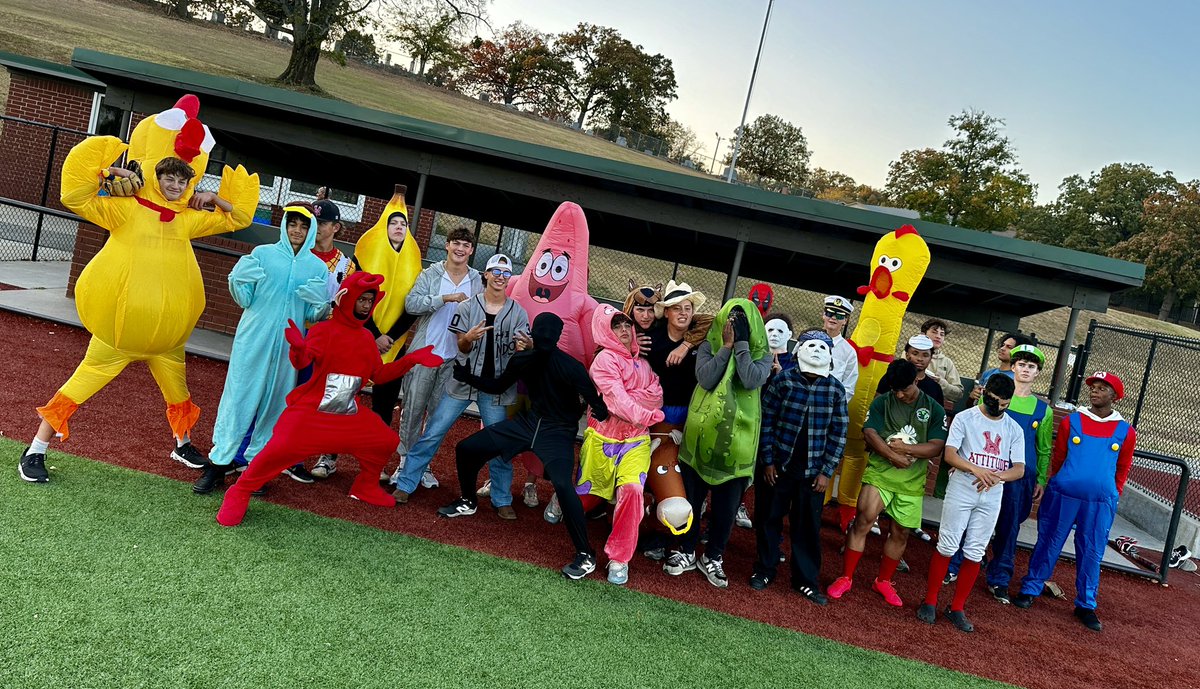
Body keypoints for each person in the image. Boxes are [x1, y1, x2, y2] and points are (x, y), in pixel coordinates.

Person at [19, 95, 259, 483]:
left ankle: (181, 443)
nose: (175, 185)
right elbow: (75, 195)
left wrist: (215, 198)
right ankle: (35, 448)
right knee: (79, 385)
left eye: (183, 180)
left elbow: (240, 218)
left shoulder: (188, 220)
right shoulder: (125, 208)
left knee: (177, 391)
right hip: (117, 334)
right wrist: (105, 168)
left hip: (167, 341)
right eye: (169, 178)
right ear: (153, 174)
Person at [215, 272, 443, 526]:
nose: (366, 306)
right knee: (276, 451)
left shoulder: (366, 338)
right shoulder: (324, 330)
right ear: (346, 299)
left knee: (384, 439)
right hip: (311, 413)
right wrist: (298, 349)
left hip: (348, 414)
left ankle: (365, 485)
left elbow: (378, 375)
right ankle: (240, 490)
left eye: (370, 301)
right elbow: (303, 362)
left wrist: (410, 361)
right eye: (362, 300)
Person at [437, 313, 610, 581]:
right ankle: (468, 500)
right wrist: (467, 376)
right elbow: (595, 405)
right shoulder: (550, 363)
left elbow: (594, 404)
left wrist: (466, 375)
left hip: (556, 433)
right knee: (467, 448)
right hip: (527, 425)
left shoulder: (557, 364)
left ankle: (586, 554)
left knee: (564, 487)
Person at [193, 204, 331, 493]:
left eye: (303, 226)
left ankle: (254, 471)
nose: (297, 230)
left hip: (288, 346)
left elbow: (311, 316)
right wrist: (236, 281)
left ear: (311, 230)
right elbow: (244, 299)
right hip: (253, 338)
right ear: (284, 225)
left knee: (275, 406)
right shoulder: (262, 255)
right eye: (292, 223)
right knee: (238, 399)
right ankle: (218, 466)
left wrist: (321, 306)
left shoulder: (317, 267)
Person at [390, 254, 527, 517]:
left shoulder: (517, 312)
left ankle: (501, 498)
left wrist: (526, 346)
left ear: (509, 279)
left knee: (500, 443)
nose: (500, 277)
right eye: (495, 271)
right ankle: (407, 482)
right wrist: (468, 338)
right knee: (433, 431)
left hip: (495, 388)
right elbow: (461, 346)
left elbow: (523, 348)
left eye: (505, 273)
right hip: (464, 381)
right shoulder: (467, 307)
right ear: (485, 275)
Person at [1014, 371, 1136, 633]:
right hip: (1063, 496)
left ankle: (1086, 603)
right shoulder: (1072, 422)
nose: (1095, 392)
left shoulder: (1125, 431)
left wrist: (1112, 493)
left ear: (1115, 396)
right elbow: (1058, 458)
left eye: (1103, 388)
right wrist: (1057, 482)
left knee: (1092, 550)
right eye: (1093, 387)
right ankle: (1031, 587)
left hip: (1100, 502)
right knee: (1048, 542)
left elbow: (1123, 467)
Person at [670, 298, 772, 589]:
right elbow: (706, 378)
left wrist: (741, 345)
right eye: (730, 319)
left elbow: (750, 379)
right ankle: (686, 550)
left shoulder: (762, 354)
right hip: (700, 439)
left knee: (726, 510)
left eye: (741, 322)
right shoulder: (709, 345)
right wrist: (725, 346)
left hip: (738, 443)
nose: (734, 326)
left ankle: (713, 556)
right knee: (692, 499)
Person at [827, 359, 947, 606]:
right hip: (880, 473)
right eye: (895, 390)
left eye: (904, 389)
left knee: (900, 532)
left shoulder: (934, 408)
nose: (900, 394)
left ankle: (883, 581)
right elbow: (869, 433)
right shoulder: (883, 401)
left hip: (911, 482)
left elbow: (937, 445)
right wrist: (893, 455)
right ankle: (846, 577)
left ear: (916, 380)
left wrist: (907, 448)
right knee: (864, 519)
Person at [944, 345, 1053, 597]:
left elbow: (1044, 448)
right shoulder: (990, 398)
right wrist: (962, 465)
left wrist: (1040, 478)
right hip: (980, 472)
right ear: (1012, 367)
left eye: (1031, 366)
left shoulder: (1043, 410)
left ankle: (999, 577)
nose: (1025, 369)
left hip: (1016, 478)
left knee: (1009, 527)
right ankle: (954, 565)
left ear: (1037, 372)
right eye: (1021, 364)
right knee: (967, 520)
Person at [920, 374, 1025, 633]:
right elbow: (950, 454)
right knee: (947, 544)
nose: (997, 407)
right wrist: (977, 470)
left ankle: (957, 607)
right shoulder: (966, 418)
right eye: (993, 400)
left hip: (992, 491)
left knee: (976, 550)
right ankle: (930, 601)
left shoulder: (1014, 428)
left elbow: (1020, 468)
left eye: (1003, 403)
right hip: (963, 487)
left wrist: (994, 476)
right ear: (985, 392)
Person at [751, 330, 849, 604]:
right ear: (798, 351)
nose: (816, 351)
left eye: (822, 347)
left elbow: (839, 433)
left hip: (813, 473)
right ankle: (765, 568)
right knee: (769, 518)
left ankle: (805, 580)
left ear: (830, 357)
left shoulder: (835, 390)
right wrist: (767, 460)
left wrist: (826, 471)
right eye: (810, 346)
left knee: (807, 526)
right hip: (779, 467)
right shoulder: (783, 381)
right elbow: (767, 419)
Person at [574, 304, 664, 585]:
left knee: (632, 490)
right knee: (585, 500)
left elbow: (657, 395)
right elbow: (615, 400)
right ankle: (561, 501)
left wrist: (634, 399)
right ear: (605, 331)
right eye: (617, 326)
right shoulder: (603, 362)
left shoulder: (645, 365)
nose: (625, 330)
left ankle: (619, 558)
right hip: (602, 440)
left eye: (627, 325)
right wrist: (645, 413)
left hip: (636, 442)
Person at [393, 227, 479, 490]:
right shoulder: (431, 273)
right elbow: (411, 304)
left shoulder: (476, 279)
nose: (460, 249)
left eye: (466, 245)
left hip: (454, 359)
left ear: (471, 250)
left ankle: (424, 465)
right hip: (425, 354)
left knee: (436, 417)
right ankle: (405, 462)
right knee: (413, 410)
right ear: (447, 245)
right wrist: (444, 298)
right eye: (456, 243)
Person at [635, 281, 710, 554]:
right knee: (644, 475)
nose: (683, 313)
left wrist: (686, 345)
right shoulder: (650, 338)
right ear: (664, 312)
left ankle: (665, 536)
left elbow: (715, 319)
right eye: (676, 308)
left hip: (686, 421)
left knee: (679, 481)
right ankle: (636, 528)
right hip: (650, 417)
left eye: (688, 308)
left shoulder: (699, 337)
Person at [352, 186, 421, 431]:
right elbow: (354, 299)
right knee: (345, 399)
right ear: (385, 226)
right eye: (393, 223)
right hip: (360, 338)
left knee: (384, 406)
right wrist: (374, 335)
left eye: (403, 223)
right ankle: (329, 457)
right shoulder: (365, 256)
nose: (399, 227)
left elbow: (412, 306)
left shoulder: (414, 263)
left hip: (395, 344)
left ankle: (373, 460)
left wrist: (389, 337)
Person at [306, 198, 357, 480]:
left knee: (334, 398)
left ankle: (328, 456)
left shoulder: (347, 265)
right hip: (300, 334)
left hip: (331, 338)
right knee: (296, 393)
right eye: (312, 222)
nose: (316, 227)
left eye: (322, 222)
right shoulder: (299, 255)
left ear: (336, 227)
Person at [875, 334, 944, 407]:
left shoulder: (934, 387)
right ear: (907, 355)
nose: (920, 359)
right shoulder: (892, 377)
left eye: (925, 355)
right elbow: (877, 405)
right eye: (915, 354)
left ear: (931, 358)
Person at [969, 332, 1033, 402]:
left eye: (1009, 347)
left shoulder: (1018, 378)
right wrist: (972, 396)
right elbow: (971, 404)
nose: (1002, 348)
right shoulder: (988, 373)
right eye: (1003, 345)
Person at [920, 318, 962, 414]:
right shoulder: (910, 354)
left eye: (942, 334)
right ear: (923, 334)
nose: (938, 336)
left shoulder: (947, 363)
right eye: (934, 332)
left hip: (934, 410)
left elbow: (958, 393)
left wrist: (941, 382)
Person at [821, 295, 859, 399]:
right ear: (823, 315)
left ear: (845, 321)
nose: (833, 318)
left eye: (839, 315)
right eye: (830, 313)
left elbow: (849, 387)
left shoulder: (849, 352)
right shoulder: (807, 339)